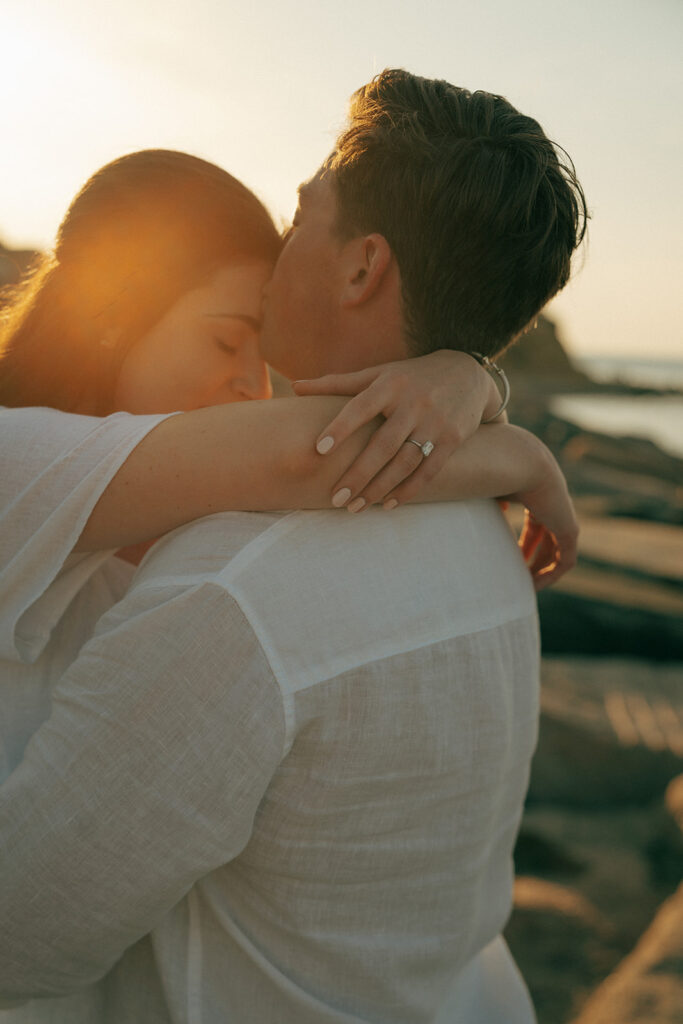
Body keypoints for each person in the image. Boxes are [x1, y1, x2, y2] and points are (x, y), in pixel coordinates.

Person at [0, 70, 586, 1022]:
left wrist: (479, 408)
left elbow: (22, 929)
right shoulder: (484, 539)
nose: (280, 253)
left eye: (301, 216)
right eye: (221, 336)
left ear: (360, 268)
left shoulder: (226, 592)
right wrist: (486, 411)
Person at [0, 148, 573, 777]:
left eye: (262, 353)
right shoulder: (16, 455)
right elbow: (311, 453)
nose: (254, 388)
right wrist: (524, 454)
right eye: (225, 340)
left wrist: (469, 379)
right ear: (109, 319)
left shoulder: (199, 506)